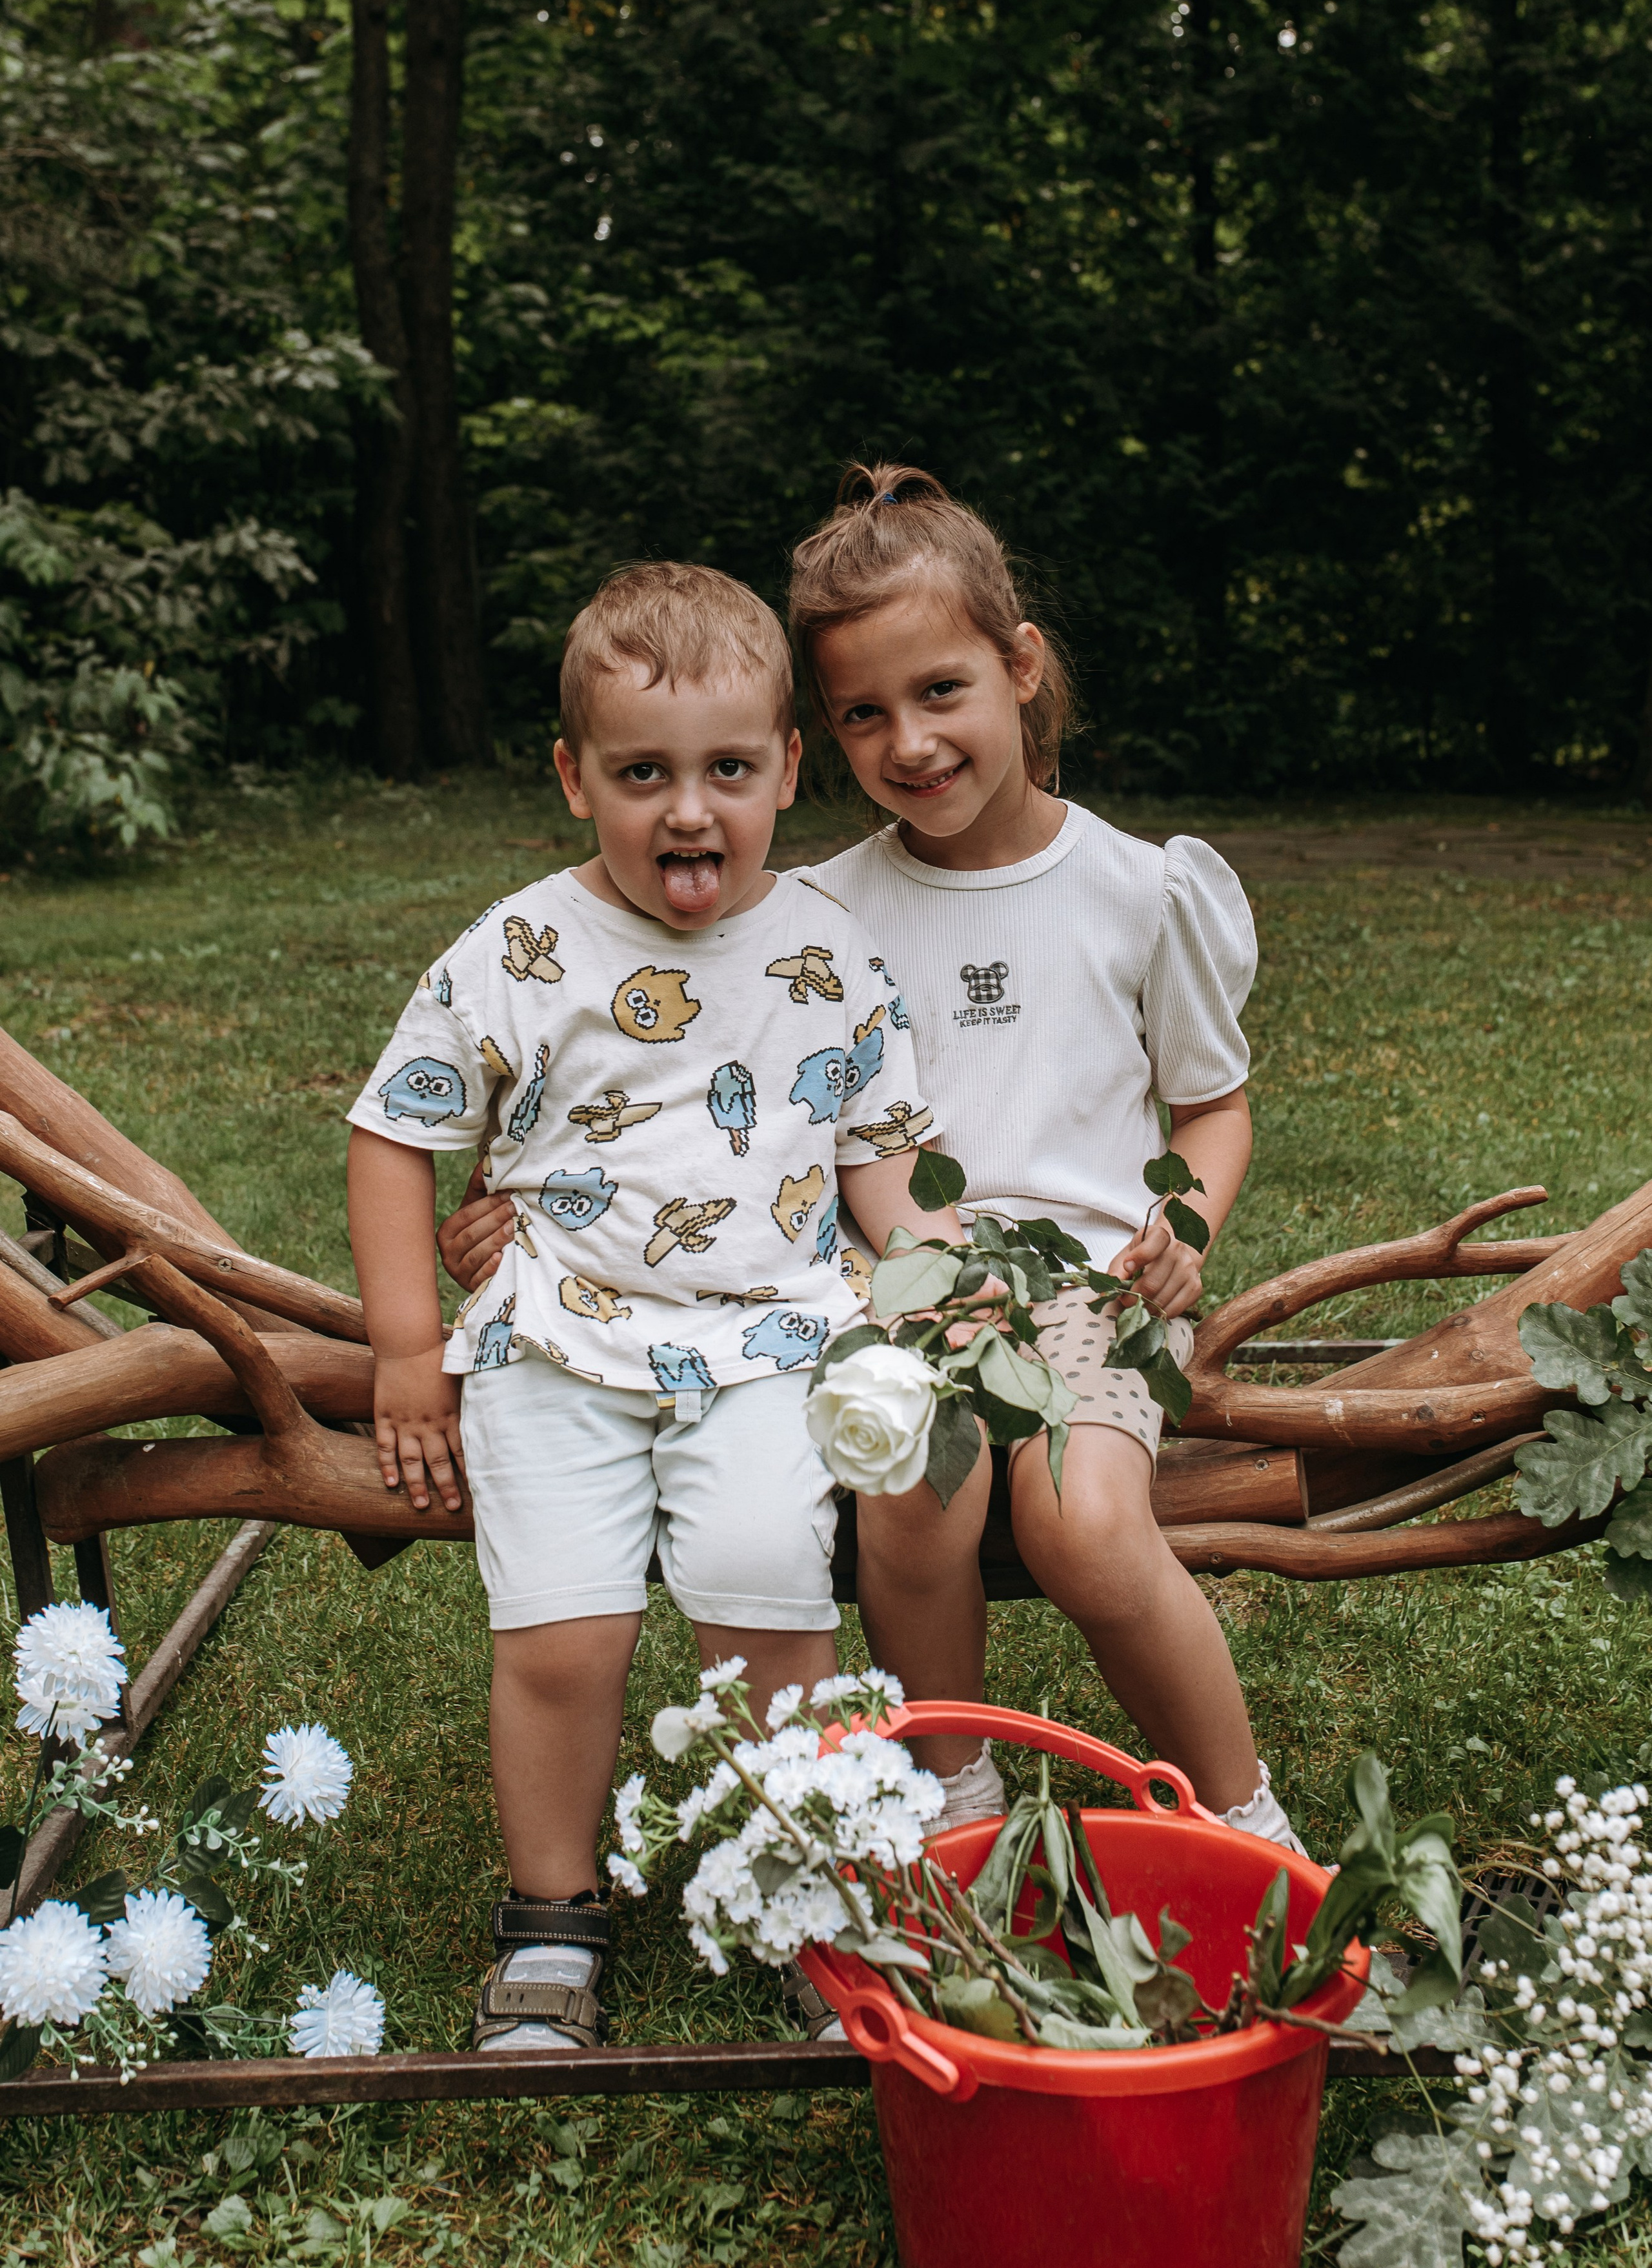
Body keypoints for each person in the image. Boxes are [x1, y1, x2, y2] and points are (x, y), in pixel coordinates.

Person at [438, 470, 1298, 1853]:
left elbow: (1213, 1104)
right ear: (814, 738)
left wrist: (1184, 1217)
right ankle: (943, 1790)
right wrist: (509, 1213)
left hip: (1089, 1281)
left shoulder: (1139, 892)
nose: (908, 741)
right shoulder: (816, 907)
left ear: (1019, 669)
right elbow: (661, 1095)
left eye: (941, 690)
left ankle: (1243, 1811)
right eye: (861, 713)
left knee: (1078, 1520)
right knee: (906, 1480)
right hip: (870, 1280)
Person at [348, 559, 962, 2054]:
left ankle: (805, 1889)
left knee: (770, 1598)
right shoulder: (521, 950)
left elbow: (880, 1152)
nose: (688, 811)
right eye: (642, 774)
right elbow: (392, 1134)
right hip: (557, 1334)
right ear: (574, 778)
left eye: (727, 771)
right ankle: (554, 1920)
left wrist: (939, 1279)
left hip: (768, 1343)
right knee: (563, 1637)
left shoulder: (823, 950)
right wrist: (408, 1353)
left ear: (784, 770)